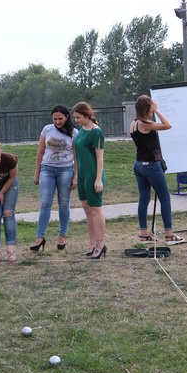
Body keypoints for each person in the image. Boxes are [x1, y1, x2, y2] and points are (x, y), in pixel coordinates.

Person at [129, 95, 184, 246]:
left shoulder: (133, 123)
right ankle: (169, 235)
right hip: (151, 165)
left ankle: (144, 234)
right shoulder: (145, 123)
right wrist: (157, 111)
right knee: (164, 197)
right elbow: (168, 125)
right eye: (151, 107)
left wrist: (153, 109)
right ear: (148, 108)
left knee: (144, 198)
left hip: (139, 164)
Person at [31, 105, 77, 252]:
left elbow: (77, 157)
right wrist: (37, 173)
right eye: (55, 119)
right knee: (45, 204)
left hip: (66, 170)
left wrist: (75, 176)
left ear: (67, 117)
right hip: (47, 169)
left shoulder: (74, 132)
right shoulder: (47, 129)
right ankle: (40, 237)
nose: (57, 121)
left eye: (60, 118)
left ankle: (62, 237)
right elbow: (40, 152)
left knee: (64, 204)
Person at [72, 102, 107, 259]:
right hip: (82, 175)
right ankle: (92, 244)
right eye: (75, 118)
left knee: (96, 209)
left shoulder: (96, 132)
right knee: (87, 209)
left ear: (86, 115)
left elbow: (100, 158)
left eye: (78, 117)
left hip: (93, 175)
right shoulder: (81, 131)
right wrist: (76, 175)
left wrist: (98, 179)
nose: (76, 120)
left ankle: (101, 245)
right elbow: (77, 155)